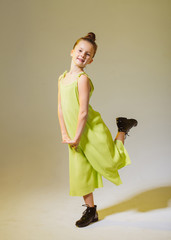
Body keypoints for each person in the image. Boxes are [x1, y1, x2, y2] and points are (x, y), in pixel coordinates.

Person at [57, 32, 138, 228]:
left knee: (111, 162)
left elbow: (83, 112)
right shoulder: (62, 78)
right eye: (80, 51)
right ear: (72, 52)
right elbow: (60, 108)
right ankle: (91, 211)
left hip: (90, 130)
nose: (82, 55)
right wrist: (64, 134)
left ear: (91, 60)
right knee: (80, 172)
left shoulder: (82, 79)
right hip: (75, 135)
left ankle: (122, 128)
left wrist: (76, 136)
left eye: (87, 54)